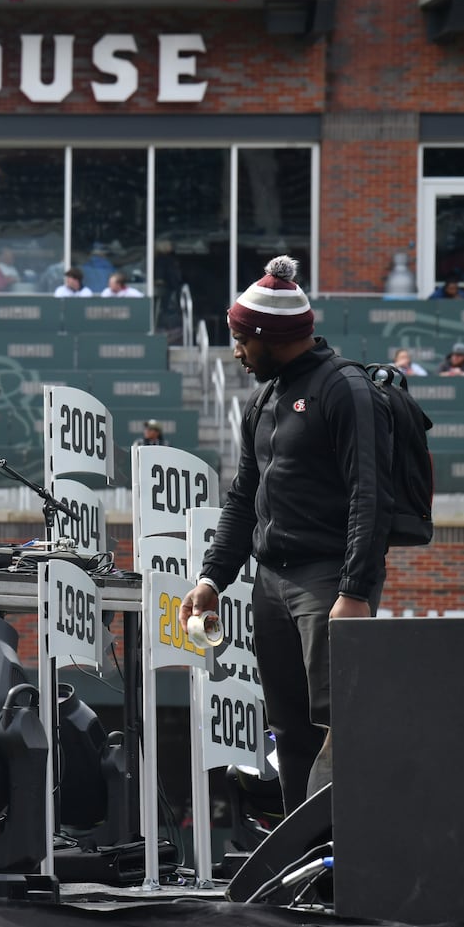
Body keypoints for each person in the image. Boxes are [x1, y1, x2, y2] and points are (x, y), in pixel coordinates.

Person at [179, 255, 392, 817]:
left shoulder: (346, 390)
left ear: (271, 336)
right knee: (291, 733)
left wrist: (355, 590)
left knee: (339, 730)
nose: (236, 352)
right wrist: (212, 578)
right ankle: (299, 866)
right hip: (270, 583)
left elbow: (370, 498)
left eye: (242, 339)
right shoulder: (265, 398)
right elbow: (243, 497)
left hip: (328, 584)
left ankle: (346, 867)